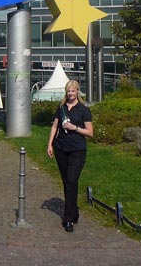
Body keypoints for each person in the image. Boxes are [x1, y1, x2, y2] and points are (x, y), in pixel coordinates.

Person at [47, 80, 93, 232]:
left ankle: (68, 219)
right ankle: (73, 212)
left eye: (73, 91)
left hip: (77, 149)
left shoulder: (83, 110)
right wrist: (50, 144)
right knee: (67, 181)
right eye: (68, 91)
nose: (70, 93)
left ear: (77, 92)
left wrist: (74, 128)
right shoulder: (61, 108)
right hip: (61, 148)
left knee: (72, 180)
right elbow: (55, 126)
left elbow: (90, 132)